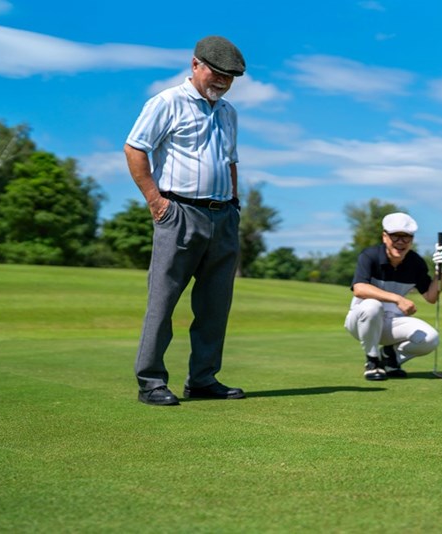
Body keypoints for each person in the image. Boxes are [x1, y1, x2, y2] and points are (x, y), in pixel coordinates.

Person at [124, 36, 247, 406]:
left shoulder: (228, 112)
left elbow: (230, 161)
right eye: (217, 72)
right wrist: (155, 202)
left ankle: (204, 379)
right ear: (195, 65)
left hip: (222, 216)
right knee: (163, 303)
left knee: (214, 305)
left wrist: (235, 204)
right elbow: (135, 147)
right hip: (178, 213)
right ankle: (151, 382)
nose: (223, 81)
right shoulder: (166, 102)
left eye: (230, 77)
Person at [344, 212, 442, 380]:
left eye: (406, 237)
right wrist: (398, 298)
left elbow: (431, 297)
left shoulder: (416, 263)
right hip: (360, 321)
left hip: (391, 324)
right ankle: (372, 361)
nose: (400, 242)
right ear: (385, 237)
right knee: (372, 306)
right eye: (395, 236)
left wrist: (441, 272)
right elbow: (359, 288)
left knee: (431, 339)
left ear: (411, 240)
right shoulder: (370, 255)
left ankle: (390, 357)